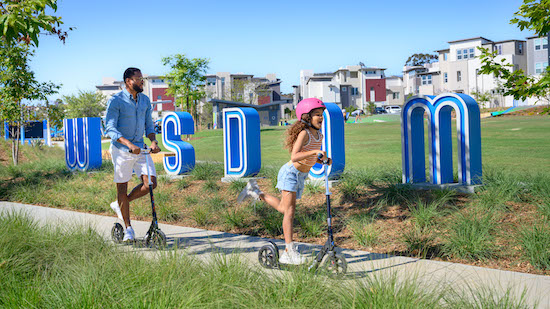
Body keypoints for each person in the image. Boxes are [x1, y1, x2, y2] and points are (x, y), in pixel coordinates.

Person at [237, 98, 331, 264]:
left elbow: (309, 157)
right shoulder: (305, 133)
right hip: (290, 173)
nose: (320, 117)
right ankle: (289, 251)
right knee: (289, 212)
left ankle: (255, 192)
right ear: (307, 117)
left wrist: (323, 160)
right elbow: (295, 156)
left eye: (321, 114)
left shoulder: (319, 134)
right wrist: (316, 151)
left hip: (301, 175)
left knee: (283, 208)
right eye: (317, 114)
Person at [104, 67, 161, 242]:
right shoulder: (116, 101)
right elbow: (110, 128)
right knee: (122, 187)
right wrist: (128, 144)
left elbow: (149, 126)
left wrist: (153, 141)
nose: (142, 81)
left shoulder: (144, 101)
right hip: (122, 150)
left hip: (141, 149)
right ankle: (128, 228)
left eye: (142, 78)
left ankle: (122, 204)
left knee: (151, 183)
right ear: (129, 81)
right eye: (138, 79)